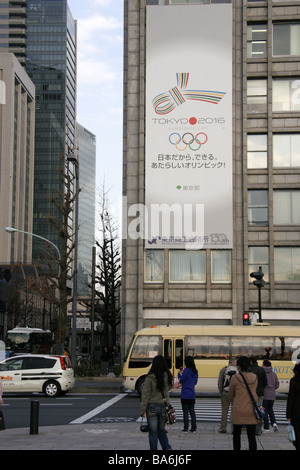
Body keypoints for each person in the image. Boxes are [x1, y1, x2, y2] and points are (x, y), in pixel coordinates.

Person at [140, 355, 173, 450]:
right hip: (163, 406)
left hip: (151, 407)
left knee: (153, 433)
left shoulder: (150, 378)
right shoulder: (168, 376)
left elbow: (145, 395)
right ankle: (167, 448)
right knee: (161, 430)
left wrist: (142, 410)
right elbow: (169, 388)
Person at [229, 356, 259, 451]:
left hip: (238, 409)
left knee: (237, 435)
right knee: (251, 437)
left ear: (239, 366)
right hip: (251, 410)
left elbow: (231, 393)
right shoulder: (254, 377)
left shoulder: (235, 377)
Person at [177, 356, 198, 432]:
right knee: (192, 411)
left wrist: (179, 374)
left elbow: (181, 381)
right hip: (192, 394)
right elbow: (195, 382)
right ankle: (194, 427)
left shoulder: (186, 371)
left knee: (185, 411)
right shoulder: (195, 371)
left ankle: (186, 427)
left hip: (185, 394)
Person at [217, 358, 237, 433]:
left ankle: (223, 428)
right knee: (234, 411)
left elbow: (220, 382)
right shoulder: (238, 370)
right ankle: (233, 429)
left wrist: (221, 391)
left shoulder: (224, 370)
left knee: (224, 411)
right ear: (234, 362)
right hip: (235, 394)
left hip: (225, 393)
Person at [249, 356, 267, 435]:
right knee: (259, 411)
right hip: (260, 393)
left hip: (251, 394)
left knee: (250, 411)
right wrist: (261, 389)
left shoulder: (249, 370)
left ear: (251, 362)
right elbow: (265, 382)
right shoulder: (262, 370)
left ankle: (251, 429)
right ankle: (258, 429)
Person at [262, 359, 279, 432]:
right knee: (270, 410)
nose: (262, 366)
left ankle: (266, 427)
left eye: (263, 365)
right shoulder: (274, 374)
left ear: (265, 365)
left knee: (265, 410)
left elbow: (262, 384)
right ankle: (274, 423)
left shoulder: (263, 374)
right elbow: (277, 384)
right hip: (272, 395)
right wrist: (273, 388)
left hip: (265, 395)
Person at [286, 363, 300, 450]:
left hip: (297, 411)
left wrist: (288, 415)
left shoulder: (294, 381)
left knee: (297, 433)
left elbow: (291, 398)